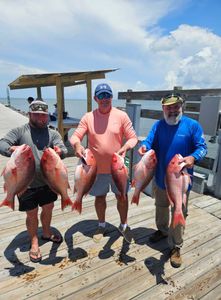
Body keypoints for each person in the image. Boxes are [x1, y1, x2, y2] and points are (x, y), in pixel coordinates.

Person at [138, 93, 207, 268]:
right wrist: (144, 146)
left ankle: (176, 246)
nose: (172, 110)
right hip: (161, 178)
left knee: (179, 211)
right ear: (163, 108)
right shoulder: (158, 125)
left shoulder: (192, 126)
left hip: (181, 182)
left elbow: (202, 147)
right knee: (160, 207)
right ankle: (162, 230)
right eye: (169, 107)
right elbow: (148, 140)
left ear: (181, 106)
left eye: (176, 106)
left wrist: (193, 158)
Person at [0, 100, 68, 263]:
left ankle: (46, 232)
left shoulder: (53, 133)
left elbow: (63, 148)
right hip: (26, 183)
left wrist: (60, 151)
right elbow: (2, 143)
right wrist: (11, 149)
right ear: (30, 114)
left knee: (48, 208)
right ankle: (34, 242)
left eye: (43, 116)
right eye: (36, 115)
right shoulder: (20, 131)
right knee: (31, 214)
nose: (40, 118)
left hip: (48, 181)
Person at [70, 83, 138, 243]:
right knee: (99, 197)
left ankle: (124, 224)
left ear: (111, 97)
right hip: (95, 168)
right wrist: (78, 145)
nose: (105, 99)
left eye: (107, 95)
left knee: (122, 196)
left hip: (118, 167)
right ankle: (101, 225)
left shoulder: (121, 116)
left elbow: (133, 138)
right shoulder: (88, 117)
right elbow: (75, 136)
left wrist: (126, 147)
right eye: (101, 96)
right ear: (95, 99)